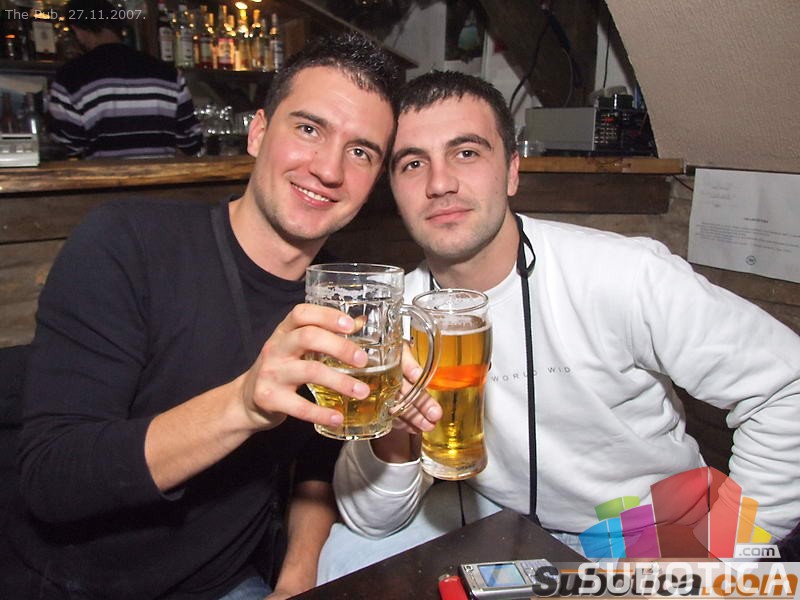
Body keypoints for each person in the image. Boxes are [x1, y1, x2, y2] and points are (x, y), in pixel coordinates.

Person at [317, 71, 800, 580]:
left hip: (644, 527)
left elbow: (788, 387)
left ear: (511, 172)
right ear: (394, 190)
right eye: (413, 164)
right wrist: (394, 425)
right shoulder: (394, 313)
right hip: (494, 520)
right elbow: (372, 520)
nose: (440, 183)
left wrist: (719, 556)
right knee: (344, 557)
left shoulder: (623, 274)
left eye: (467, 153)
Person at [6, 32, 400, 599]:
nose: (329, 169)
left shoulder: (342, 297)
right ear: (258, 133)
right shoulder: (127, 244)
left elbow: (316, 463)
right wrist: (242, 405)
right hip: (73, 585)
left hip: (227, 582)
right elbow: (52, 479)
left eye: (361, 152)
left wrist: (297, 578)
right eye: (309, 129)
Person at [48, 0, 203, 158]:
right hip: (161, 173)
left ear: (78, 31)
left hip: (105, 173)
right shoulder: (168, 73)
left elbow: (67, 145)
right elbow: (191, 141)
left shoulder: (71, 77)